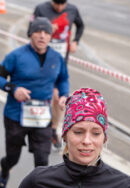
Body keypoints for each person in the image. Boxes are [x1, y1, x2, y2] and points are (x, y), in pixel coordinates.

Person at [0, 17, 69, 188]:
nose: (42, 36)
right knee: (13, 157)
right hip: (16, 116)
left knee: (42, 161)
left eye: (47, 32)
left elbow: (63, 78)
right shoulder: (16, 56)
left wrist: (63, 94)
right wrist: (13, 89)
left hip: (42, 118)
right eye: (38, 31)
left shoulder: (56, 58)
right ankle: (4, 170)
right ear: (30, 34)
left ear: (50, 36)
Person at [30, 0, 84, 148]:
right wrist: (46, 30)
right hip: (41, 58)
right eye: (56, 5)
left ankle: (53, 129)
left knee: (59, 97)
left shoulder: (73, 9)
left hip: (60, 60)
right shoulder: (41, 8)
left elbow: (80, 26)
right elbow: (30, 29)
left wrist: (75, 42)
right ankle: (37, 126)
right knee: (43, 93)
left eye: (62, 5)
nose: (59, 8)